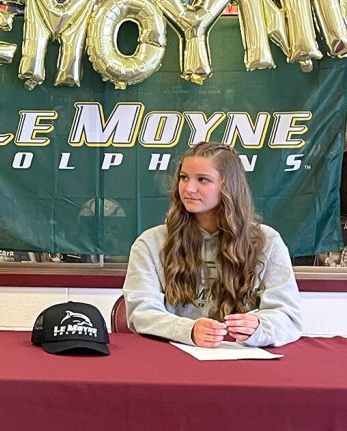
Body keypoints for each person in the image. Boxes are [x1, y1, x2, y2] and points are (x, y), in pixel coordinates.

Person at [123, 141, 302, 348]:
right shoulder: (151, 243)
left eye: (203, 180)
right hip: (172, 357)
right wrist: (188, 330)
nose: (188, 188)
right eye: (183, 178)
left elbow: (288, 316)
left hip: (243, 361)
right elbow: (141, 312)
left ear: (228, 186)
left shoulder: (267, 242)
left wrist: (259, 327)